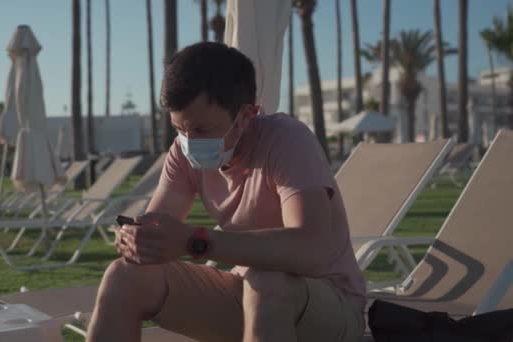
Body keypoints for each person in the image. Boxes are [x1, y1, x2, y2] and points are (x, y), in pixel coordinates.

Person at [86, 42, 366, 342]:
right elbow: (159, 226)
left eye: (201, 130)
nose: (189, 141)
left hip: (331, 306)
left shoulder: (287, 141)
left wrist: (196, 242)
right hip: (247, 294)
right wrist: (139, 240)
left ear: (246, 115)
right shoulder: (183, 152)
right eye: (179, 129)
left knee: (267, 280)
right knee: (124, 276)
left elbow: (310, 250)